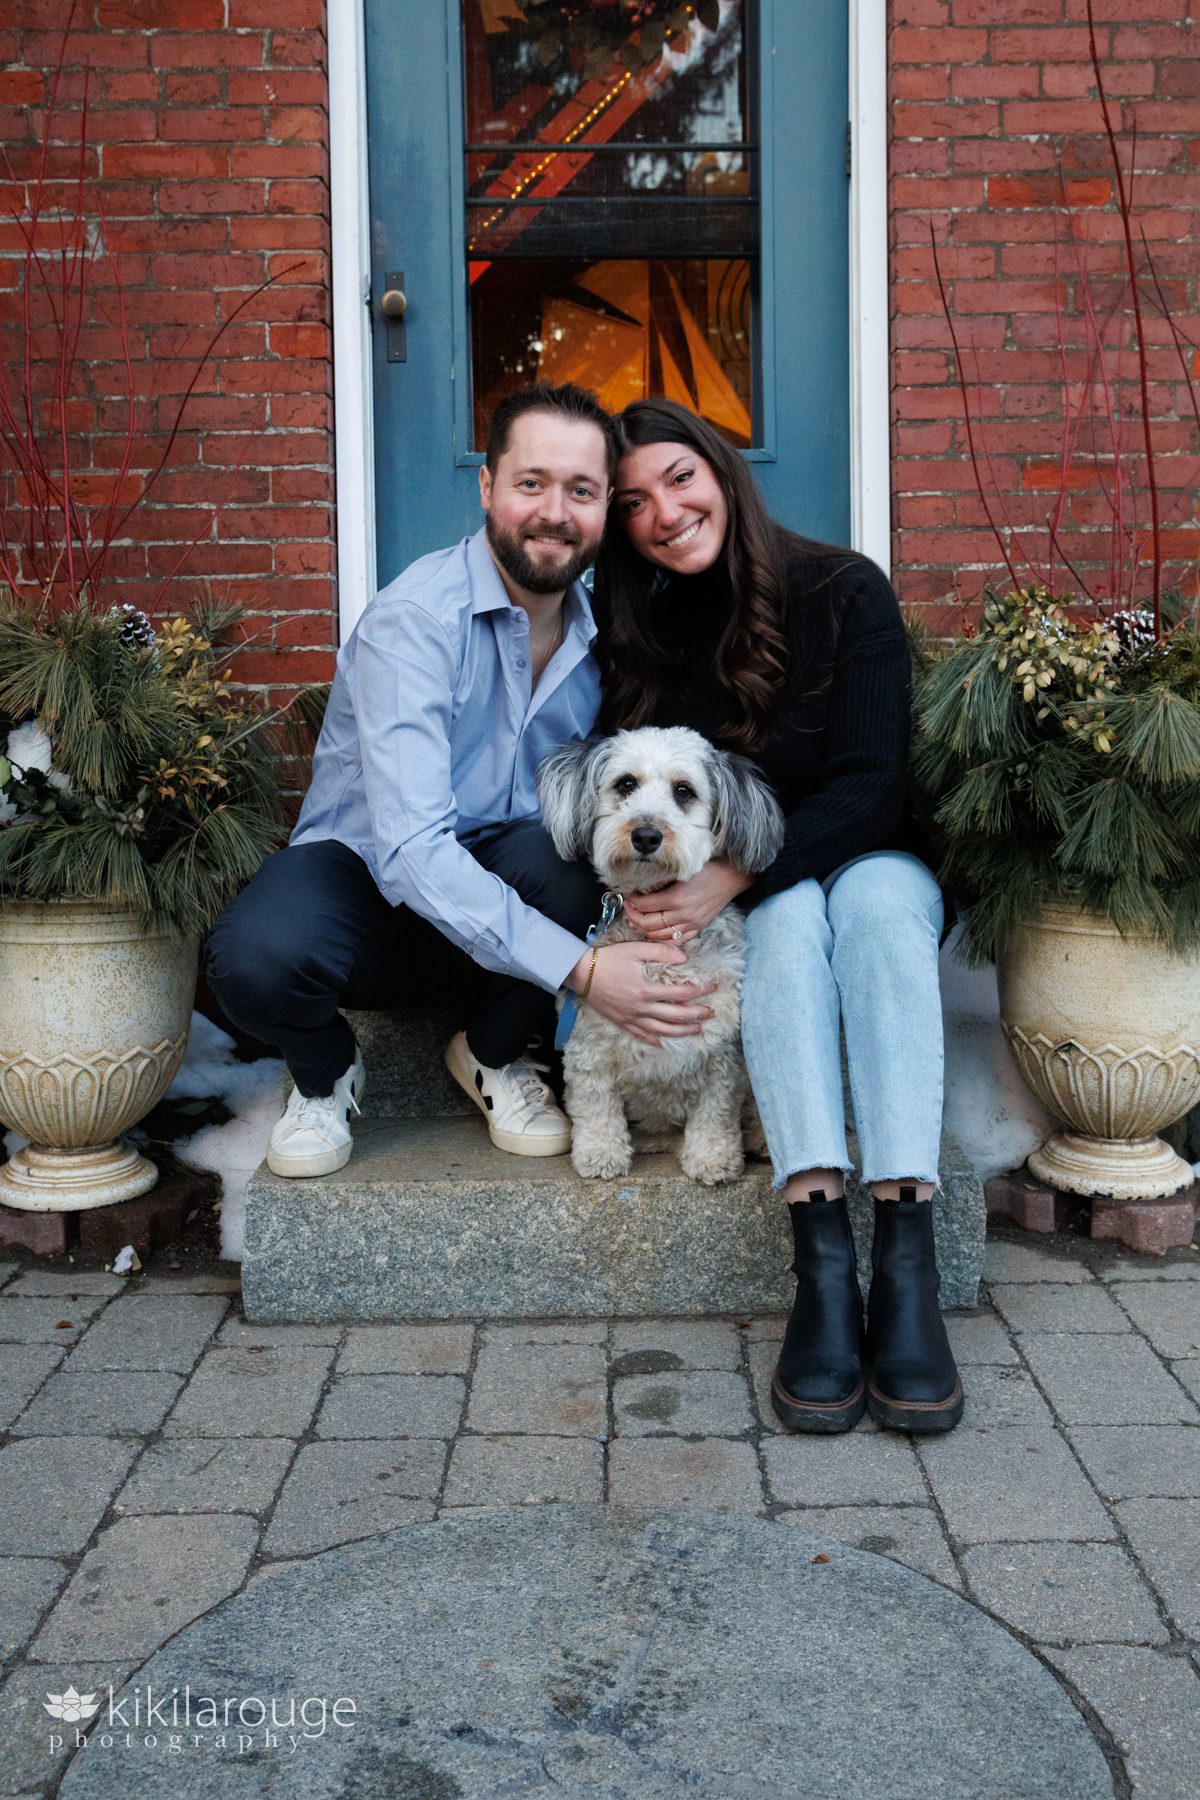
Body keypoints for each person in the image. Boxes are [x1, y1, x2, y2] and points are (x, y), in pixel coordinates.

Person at [206, 383, 717, 1179]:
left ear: (604, 508)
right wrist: (583, 973)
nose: (554, 511)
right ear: (487, 488)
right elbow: (412, 850)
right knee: (255, 957)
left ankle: (490, 1051)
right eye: (531, 483)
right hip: (370, 888)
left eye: (581, 491)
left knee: (572, 856)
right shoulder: (415, 622)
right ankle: (325, 1072)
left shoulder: (607, 637)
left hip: (506, 890)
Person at [592, 397, 962, 1434]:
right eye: (633, 503)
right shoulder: (646, 638)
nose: (663, 512)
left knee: (881, 912)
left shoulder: (844, 588)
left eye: (679, 478)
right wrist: (735, 885)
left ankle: (907, 1260)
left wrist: (737, 875)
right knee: (791, 934)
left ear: (721, 470)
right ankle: (823, 1263)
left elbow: (872, 783)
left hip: (868, 850)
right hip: (776, 885)